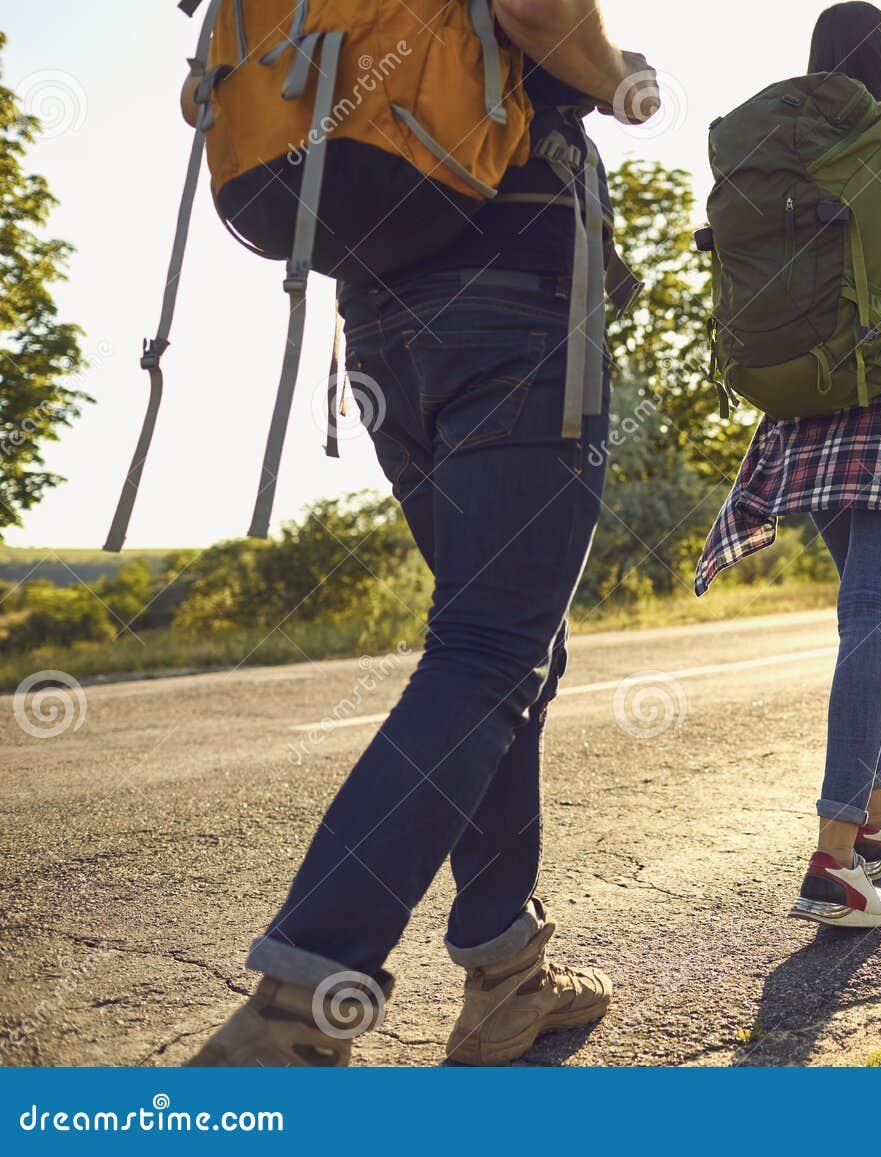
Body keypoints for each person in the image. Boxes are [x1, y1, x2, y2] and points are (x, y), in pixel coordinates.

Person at [190, 0, 660, 1066]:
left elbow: (204, 91)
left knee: (501, 646)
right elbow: (537, 9)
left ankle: (507, 974)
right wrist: (619, 80)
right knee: (492, 648)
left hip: (380, 318)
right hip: (514, 296)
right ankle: (297, 1005)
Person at [695, 1, 881, 930]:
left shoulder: (797, 145)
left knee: (862, 618)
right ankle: (831, 852)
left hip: (803, 405)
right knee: (872, 620)